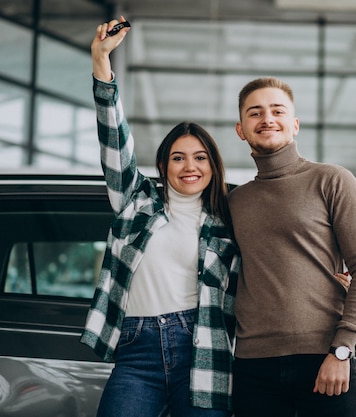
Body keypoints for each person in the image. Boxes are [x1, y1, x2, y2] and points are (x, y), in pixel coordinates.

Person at [80, 17, 240, 417]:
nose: (190, 166)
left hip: (201, 353)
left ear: (213, 166)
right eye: (179, 157)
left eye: (200, 157)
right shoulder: (137, 201)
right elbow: (114, 139)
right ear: (163, 164)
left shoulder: (228, 220)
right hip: (137, 352)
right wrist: (102, 63)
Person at [228, 76, 356, 417]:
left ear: (294, 124)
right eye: (255, 113)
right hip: (252, 366)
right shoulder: (235, 201)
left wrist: (342, 350)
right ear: (241, 129)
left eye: (277, 110)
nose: (267, 118)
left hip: (323, 360)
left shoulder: (332, 180)